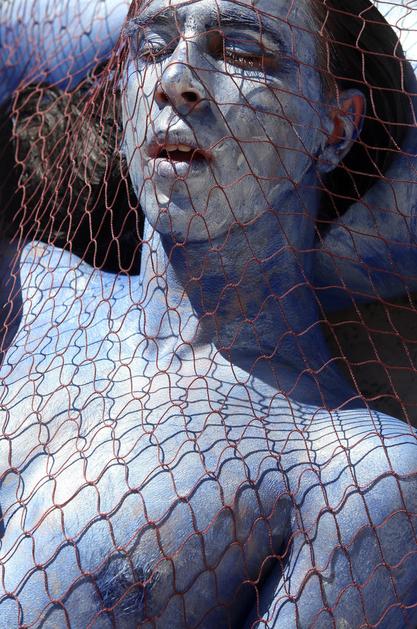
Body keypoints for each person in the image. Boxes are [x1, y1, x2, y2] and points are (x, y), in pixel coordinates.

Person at [0, 1, 417, 628]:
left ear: (336, 128)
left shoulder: (356, 475)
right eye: (150, 47)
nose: (176, 78)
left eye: (244, 53)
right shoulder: (25, 289)